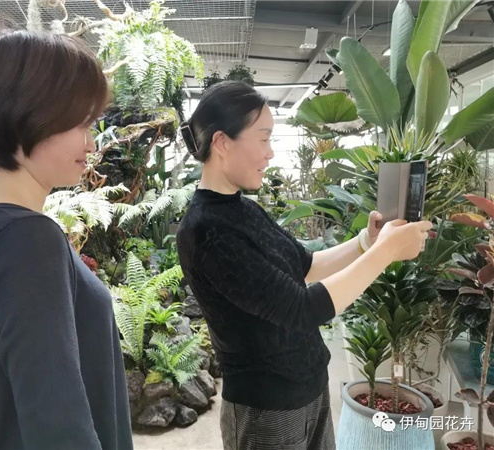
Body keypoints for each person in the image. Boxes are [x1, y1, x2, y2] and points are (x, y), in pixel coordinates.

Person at [176, 81, 432, 450]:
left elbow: (306, 265)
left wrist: (367, 242)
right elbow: (302, 309)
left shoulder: (244, 208)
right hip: (266, 408)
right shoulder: (204, 230)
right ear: (221, 142)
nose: (271, 153)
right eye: (264, 139)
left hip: (309, 388)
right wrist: (386, 253)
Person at [0, 19, 133, 450]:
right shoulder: (26, 238)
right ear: (28, 116)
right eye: (81, 124)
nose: (91, 145)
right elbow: (58, 425)